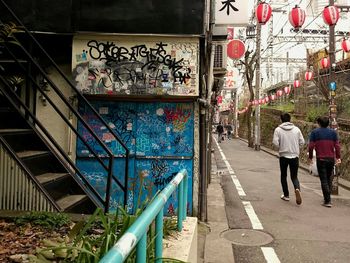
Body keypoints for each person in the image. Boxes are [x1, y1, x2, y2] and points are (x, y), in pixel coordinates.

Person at [308, 116, 341, 208]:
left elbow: (310, 146)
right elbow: (337, 146)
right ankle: (327, 198)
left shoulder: (315, 132)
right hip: (331, 159)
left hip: (321, 159)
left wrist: (310, 157)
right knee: (328, 178)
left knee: (323, 180)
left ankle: (327, 200)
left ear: (319, 123)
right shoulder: (333, 133)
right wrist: (338, 157)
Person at [273, 113, 305, 205]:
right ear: (290, 119)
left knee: (283, 175)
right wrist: (296, 147)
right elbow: (302, 142)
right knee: (294, 176)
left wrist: (281, 147)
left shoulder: (278, 130)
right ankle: (297, 188)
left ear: (281, 119)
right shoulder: (296, 129)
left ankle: (286, 195)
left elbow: (275, 142)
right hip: (294, 155)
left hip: (283, 155)